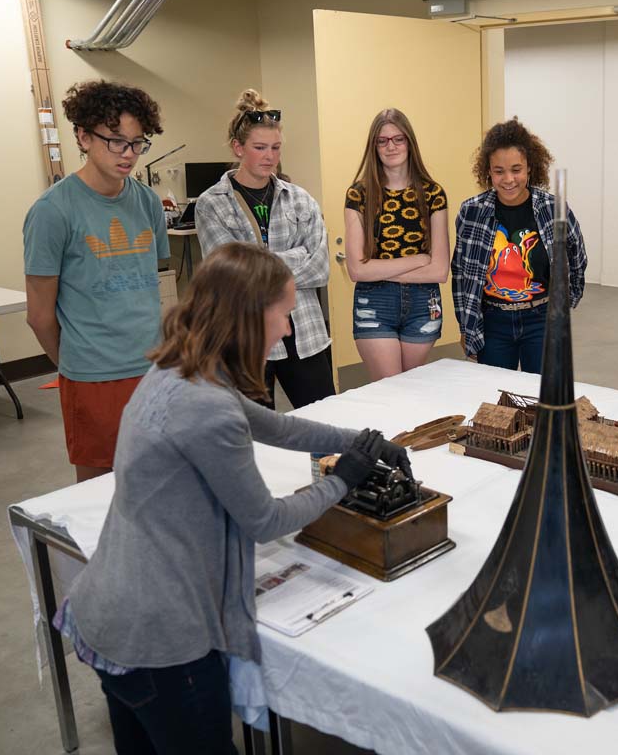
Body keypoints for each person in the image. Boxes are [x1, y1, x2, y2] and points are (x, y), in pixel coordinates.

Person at [53, 243, 411, 753]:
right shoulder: (208, 408)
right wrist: (342, 481)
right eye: (283, 315)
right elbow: (265, 520)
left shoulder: (177, 372)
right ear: (248, 317)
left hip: (111, 612)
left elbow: (278, 426)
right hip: (163, 638)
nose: (287, 330)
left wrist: (358, 440)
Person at [24, 80, 170, 483]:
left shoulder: (147, 202)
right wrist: (77, 365)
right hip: (93, 377)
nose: (129, 155)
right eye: (116, 142)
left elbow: (149, 286)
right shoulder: (53, 211)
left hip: (152, 368)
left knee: (157, 483)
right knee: (99, 494)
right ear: (83, 136)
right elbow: (39, 315)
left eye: (138, 143)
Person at [196, 89, 336, 409]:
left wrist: (257, 262)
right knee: (254, 435)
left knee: (325, 420)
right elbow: (232, 278)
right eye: (260, 148)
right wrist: (296, 254)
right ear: (238, 147)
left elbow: (320, 267)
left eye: (275, 148)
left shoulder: (300, 199)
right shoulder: (212, 205)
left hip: (305, 333)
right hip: (246, 338)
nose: (269, 156)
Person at [452, 117, 588, 373]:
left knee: (540, 399)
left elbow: (577, 257)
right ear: (488, 171)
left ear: (529, 168)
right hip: (493, 321)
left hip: (542, 320)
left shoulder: (552, 208)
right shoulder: (471, 212)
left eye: (516, 169)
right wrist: (466, 326)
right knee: (494, 398)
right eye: (499, 171)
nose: (508, 179)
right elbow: (460, 273)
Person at [344, 109, 450, 380]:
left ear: (409, 142)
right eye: (382, 141)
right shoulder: (359, 195)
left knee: (411, 388)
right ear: (374, 147)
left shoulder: (433, 194)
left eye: (398, 139)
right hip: (375, 301)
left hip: (423, 303)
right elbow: (356, 270)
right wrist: (418, 259)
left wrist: (378, 268)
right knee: (391, 390)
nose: (390, 146)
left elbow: (439, 271)